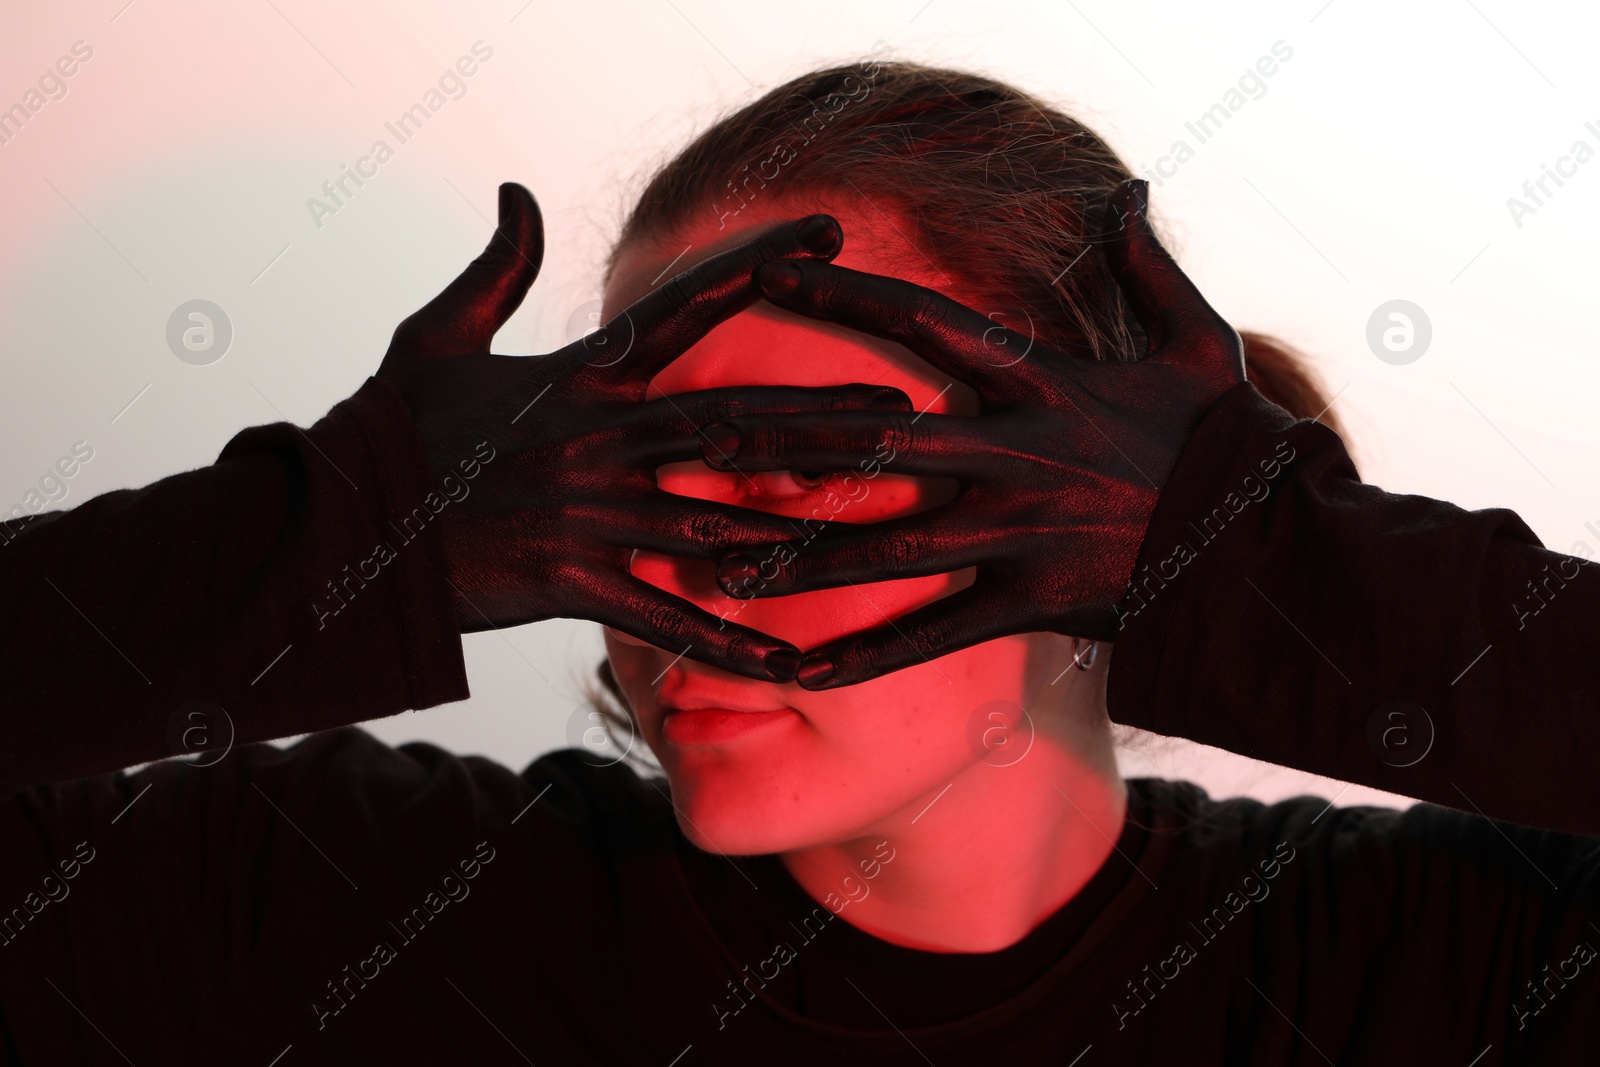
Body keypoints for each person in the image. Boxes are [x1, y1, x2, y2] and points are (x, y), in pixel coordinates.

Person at [0, 58, 1595, 1066]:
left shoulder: (1439, 973)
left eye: (804, 463)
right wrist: (339, 539)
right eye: (610, 473)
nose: (677, 573)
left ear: (1115, 502)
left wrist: (1267, 570)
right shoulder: (331, 921)